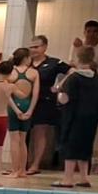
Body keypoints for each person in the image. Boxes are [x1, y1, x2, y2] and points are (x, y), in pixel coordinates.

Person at [55, 47, 98, 187]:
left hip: (74, 117)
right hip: (91, 117)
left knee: (70, 146)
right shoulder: (96, 78)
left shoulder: (74, 78)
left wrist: (58, 94)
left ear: (77, 58)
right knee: (85, 146)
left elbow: (64, 98)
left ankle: (68, 179)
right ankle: (84, 178)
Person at [27, 34, 68, 175]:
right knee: (22, 132)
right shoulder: (26, 62)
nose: (33, 50)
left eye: (36, 47)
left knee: (39, 132)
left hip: (44, 101)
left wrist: (59, 86)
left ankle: (35, 164)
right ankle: (21, 163)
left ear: (44, 47)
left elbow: (72, 71)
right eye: (31, 47)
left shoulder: (54, 63)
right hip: (26, 100)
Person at [5, 45, 37, 177]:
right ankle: (22, 170)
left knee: (14, 140)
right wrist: (30, 110)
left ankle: (14, 170)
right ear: (26, 58)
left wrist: (16, 109)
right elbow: (35, 94)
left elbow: (6, 94)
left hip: (14, 107)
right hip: (27, 105)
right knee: (23, 140)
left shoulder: (10, 73)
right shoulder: (34, 73)